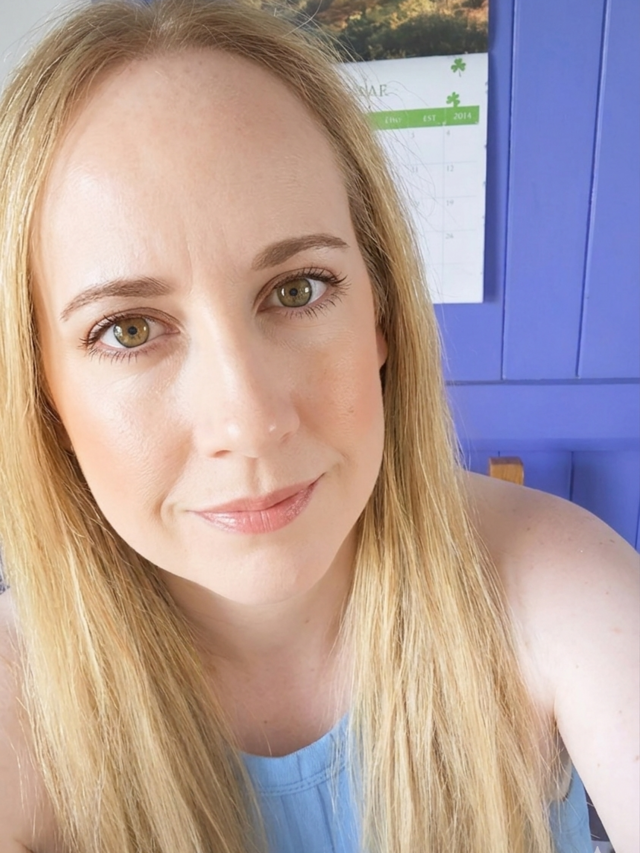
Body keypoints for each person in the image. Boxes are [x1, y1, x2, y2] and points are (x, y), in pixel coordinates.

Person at [0, 1, 637, 851]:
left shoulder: (560, 587)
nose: (250, 421)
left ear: (381, 313)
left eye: (297, 289)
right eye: (129, 329)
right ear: (44, 393)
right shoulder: (19, 704)